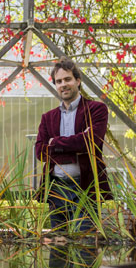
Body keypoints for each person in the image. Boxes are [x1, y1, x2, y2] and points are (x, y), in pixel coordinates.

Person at [35, 57, 112, 232]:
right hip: (56, 189)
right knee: (59, 247)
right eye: (59, 81)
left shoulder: (96, 109)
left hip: (85, 187)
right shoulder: (48, 118)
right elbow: (40, 152)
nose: (63, 84)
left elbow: (91, 143)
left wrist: (54, 143)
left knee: (85, 247)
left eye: (67, 79)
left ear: (78, 81)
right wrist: (77, 143)